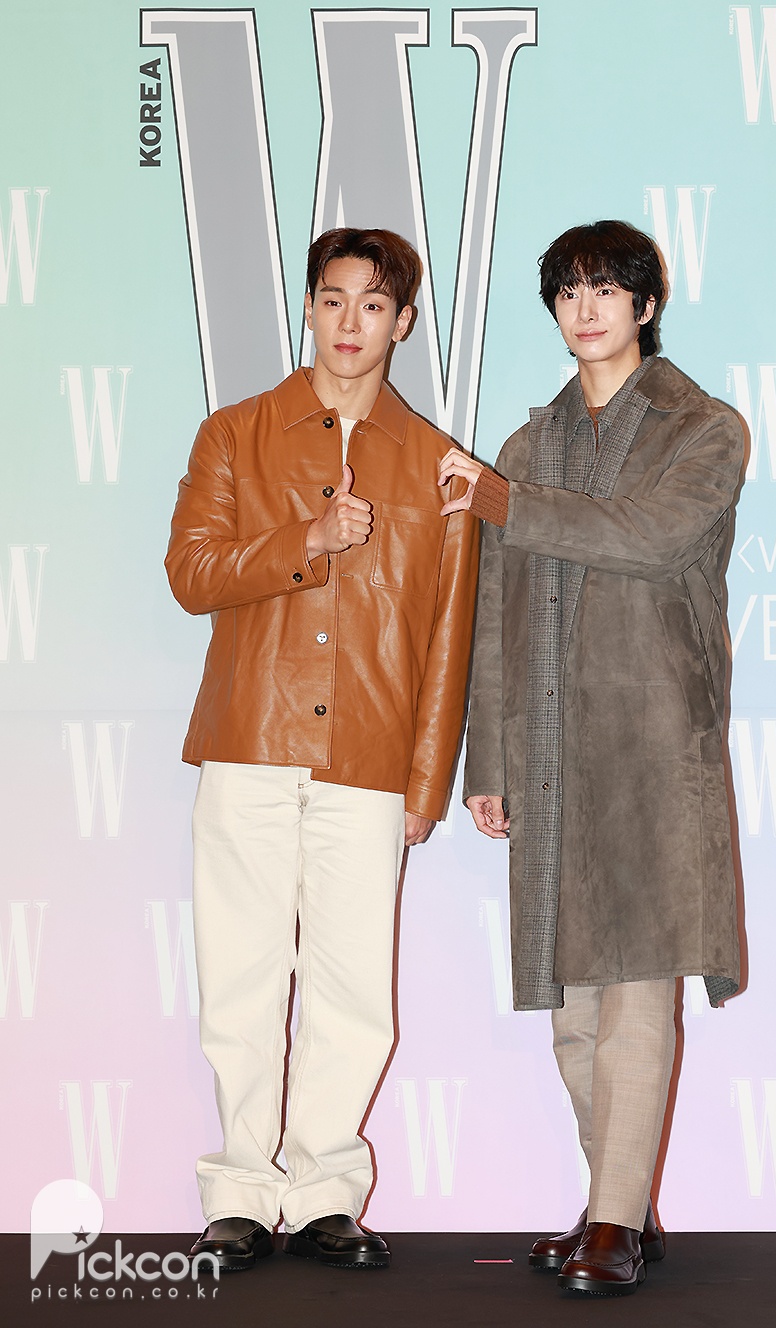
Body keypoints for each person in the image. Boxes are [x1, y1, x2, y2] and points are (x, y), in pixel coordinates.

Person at [438, 220, 744, 1297]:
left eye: (608, 288)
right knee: (571, 1008)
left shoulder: (705, 429)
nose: (586, 307)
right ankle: (624, 1206)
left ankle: (610, 1218)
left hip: (656, 739)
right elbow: (494, 613)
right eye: (568, 290)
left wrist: (505, 504)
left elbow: (648, 538)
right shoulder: (527, 448)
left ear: (646, 305)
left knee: (638, 992)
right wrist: (488, 758)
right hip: (550, 747)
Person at [167, 227, 478, 1272]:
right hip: (250, 741)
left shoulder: (436, 463)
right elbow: (191, 573)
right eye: (335, 300)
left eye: (374, 304)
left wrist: (426, 779)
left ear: (404, 321)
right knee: (242, 978)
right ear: (308, 308)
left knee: (353, 992)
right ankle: (240, 1192)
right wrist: (305, 540)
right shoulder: (234, 434)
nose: (352, 323)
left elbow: (448, 634)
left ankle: (326, 1195)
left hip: (371, 759)